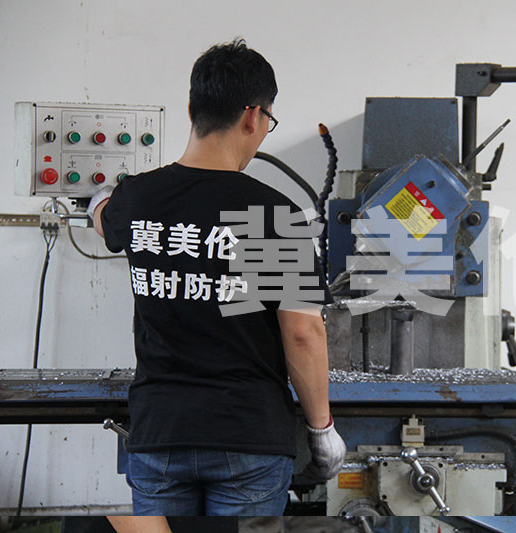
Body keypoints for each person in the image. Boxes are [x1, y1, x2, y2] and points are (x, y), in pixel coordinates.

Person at [88, 38, 346, 517]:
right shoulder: (272, 215)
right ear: (252, 117)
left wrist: (98, 203)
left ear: (192, 110)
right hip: (247, 436)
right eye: (268, 121)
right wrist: (321, 429)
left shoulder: (138, 199)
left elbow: (104, 219)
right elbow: (303, 332)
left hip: (160, 433)